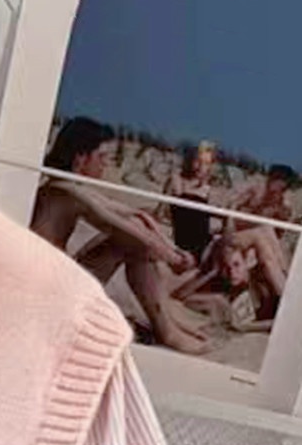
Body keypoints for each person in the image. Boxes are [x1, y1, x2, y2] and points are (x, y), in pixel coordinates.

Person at [31, 117, 207, 354]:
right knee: (133, 242)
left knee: (136, 234)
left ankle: (169, 322)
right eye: (102, 157)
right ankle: (167, 329)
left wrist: (173, 248)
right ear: (81, 158)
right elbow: (117, 225)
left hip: (62, 281)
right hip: (53, 294)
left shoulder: (68, 186)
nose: (105, 164)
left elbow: (135, 215)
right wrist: (171, 258)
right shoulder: (65, 192)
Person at [166, 140, 219, 264]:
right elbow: (164, 211)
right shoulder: (177, 181)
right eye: (198, 161)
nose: (201, 167)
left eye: (206, 163)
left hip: (205, 245)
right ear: (190, 161)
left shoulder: (209, 189)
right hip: (183, 244)